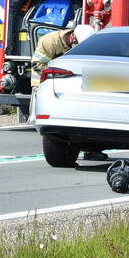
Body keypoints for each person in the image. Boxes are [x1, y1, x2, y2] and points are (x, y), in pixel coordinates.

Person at [32, 24, 102, 159]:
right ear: (72, 37)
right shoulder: (49, 42)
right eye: (77, 44)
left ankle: (91, 150)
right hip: (46, 82)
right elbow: (37, 65)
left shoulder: (85, 43)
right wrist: (62, 71)